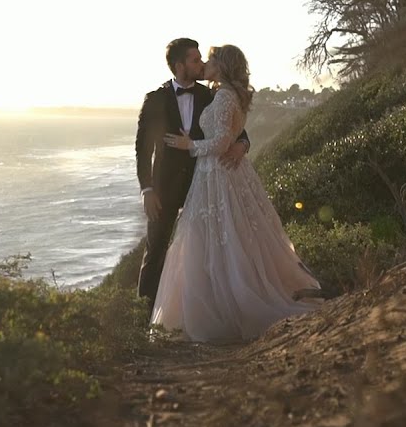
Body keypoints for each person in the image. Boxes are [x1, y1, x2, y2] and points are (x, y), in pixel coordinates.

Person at [150, 44, 322, 343]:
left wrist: (189, 145)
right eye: (199, 59)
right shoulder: (223, 93)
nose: (205, 63)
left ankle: (226, 310)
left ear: (223, 66)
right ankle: (219, 303)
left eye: (211, 59)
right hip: (217, 175)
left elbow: (220, 142)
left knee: (221, 240)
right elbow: (226, 136)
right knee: (224, 239)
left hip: (217, 175)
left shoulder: (225, 95)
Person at [135, 38, 250, 309]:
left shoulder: (211, 94)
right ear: (179, 65)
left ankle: (201, 310)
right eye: (195, 60)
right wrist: (147, 189)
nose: (200, 65)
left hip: (205, 182)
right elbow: (143, 150)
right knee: (156, 250)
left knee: (204, 250)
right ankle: (143, 318)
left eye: (201, 59)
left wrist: (243, 146)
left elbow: (238, 131)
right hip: (164, 188)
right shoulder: (155, 100)